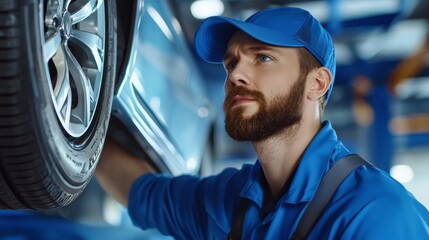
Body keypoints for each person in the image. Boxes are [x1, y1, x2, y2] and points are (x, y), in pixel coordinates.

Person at [95, 7, 429, 239]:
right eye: (231, 64)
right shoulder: (232, 200)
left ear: (317, 83)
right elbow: (143, 193)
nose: (236, 74)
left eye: (263, 57)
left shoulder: (376, 213)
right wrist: (69, 128)